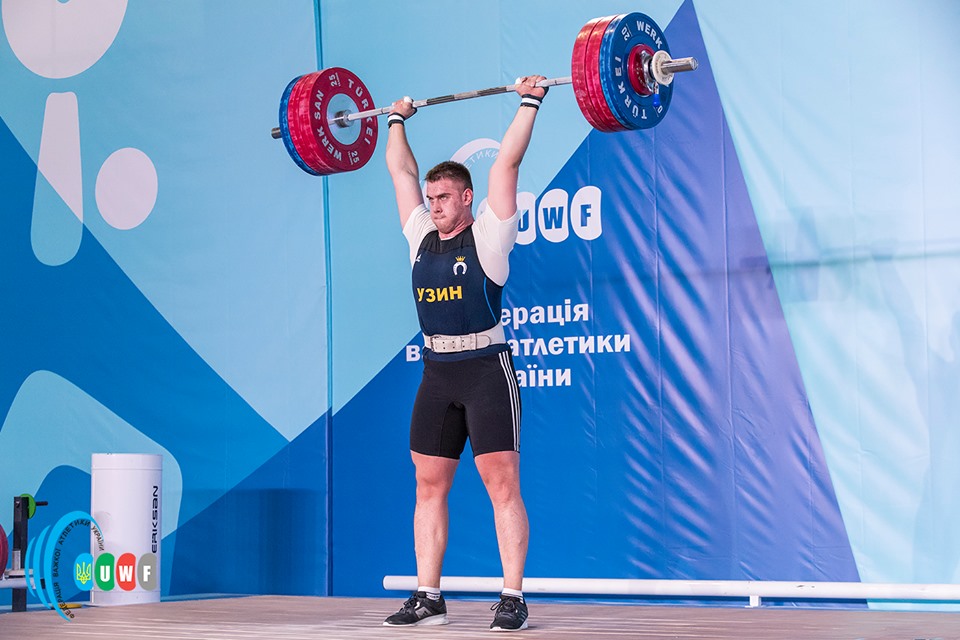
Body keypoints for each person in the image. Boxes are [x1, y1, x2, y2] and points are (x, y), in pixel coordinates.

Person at [381, 76, 547, 632]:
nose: (434, 206)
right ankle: (428, 594)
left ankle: (512, 596)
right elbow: (401, 172)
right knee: (428, 484)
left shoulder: (491, 238)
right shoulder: (420, 236)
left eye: (444, 197)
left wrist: (529, 101)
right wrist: (396, 120)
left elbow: (507, 165)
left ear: (466, 197)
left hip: (485, 371)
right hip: (437, 373)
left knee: (502, 485)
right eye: (431, 199)